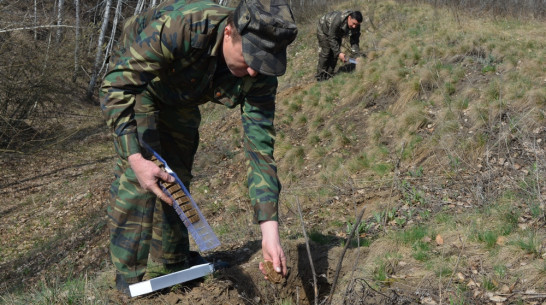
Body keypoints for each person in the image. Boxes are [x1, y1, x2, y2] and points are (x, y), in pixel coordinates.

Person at [99, 0, 297, 295]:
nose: (256, 72)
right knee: (139, 177)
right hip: (143, 84)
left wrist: (270, 231)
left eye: (266, 61)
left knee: (175, 175)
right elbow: (117, 86)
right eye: (251, 57)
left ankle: (173, 260)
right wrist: (134, 158)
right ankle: (129, 282)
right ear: (229, 32)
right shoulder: (184, 27)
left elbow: (260, 150)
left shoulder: (260, 75)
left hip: (181, 97)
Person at [315, 10, 362, 81]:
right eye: (353, 23)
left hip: (337, 33)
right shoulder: (338, 20)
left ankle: (329, 75)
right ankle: (320, 77)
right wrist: (339, 53)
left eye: (357, 24)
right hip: (324, 29)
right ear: (349, 18)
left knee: (334, 55)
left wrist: (356, 56)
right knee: (326, 52)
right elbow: (331, 37)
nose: (354, 26)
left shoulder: (356, 26)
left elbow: (354, 41)